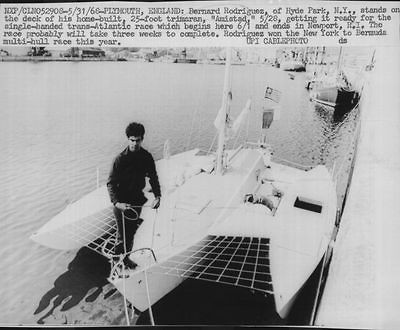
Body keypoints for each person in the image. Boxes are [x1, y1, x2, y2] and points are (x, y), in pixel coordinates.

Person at [107, 122, 161, 269]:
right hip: (121, 203)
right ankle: (117, 263)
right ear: (127, 139)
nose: (135, 143)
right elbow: (110, 183)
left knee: (130, 233)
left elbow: (153, 177)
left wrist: (157, 196)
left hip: (136, 201)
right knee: (122, 235)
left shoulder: (146, 157)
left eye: (138, 140)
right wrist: (117, 203)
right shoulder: (119, 159)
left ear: (142, 139)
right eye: (132, 140)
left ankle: (126, 259)